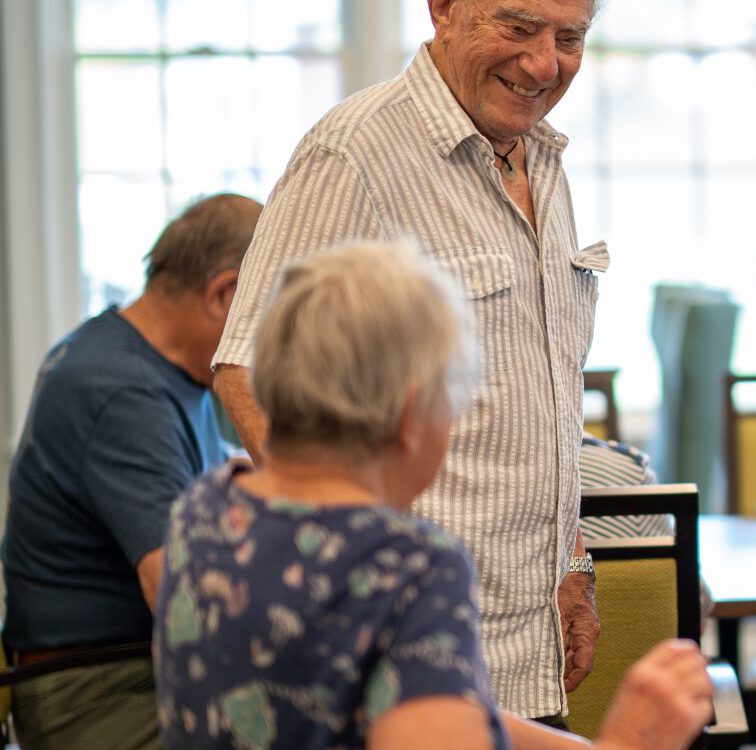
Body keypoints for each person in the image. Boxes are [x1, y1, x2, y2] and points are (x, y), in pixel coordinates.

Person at [154, 241, 713, 750]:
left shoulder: (205, 511)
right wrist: (630, 741)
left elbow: (434, 704)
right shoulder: (407, 564)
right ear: (410, 415)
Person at [210, 0, 603, 722]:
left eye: (569, 37)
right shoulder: (355, 151)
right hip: (403, 660)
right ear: (443, 10)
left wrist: (571, 563)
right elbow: (247, 371)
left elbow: (540, 396)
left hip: (529, 657)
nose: (545, 63)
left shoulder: (541, 154)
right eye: (517, 28)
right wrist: (354, 578)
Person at [0, 193, 260, 750]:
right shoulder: (121, 391)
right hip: (95, 690)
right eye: (271, 313)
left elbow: (210, 467)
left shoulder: (138, 358)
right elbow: (178, 589)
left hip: (120, 669)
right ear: (226, 294)